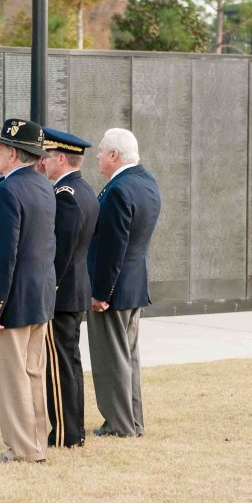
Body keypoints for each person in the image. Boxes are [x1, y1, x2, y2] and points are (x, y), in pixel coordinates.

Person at [0, 118, 57, 463]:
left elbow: (3, 256)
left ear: (12, 153)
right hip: (37, 296)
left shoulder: (8, 192)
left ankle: (24, 450)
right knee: (32, 374)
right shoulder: (42, 186)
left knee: (12, 378)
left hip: (10, 301)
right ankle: (36, 441)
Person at [86, 127, 161, 439]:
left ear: (114, 156)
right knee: (128, 357)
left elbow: (112, 248)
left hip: (114, 290)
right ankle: (133, 421)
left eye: (102, 152)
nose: (99, 158)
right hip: (133, 286)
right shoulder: (146, 181)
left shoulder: (119, 189)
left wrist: (101, 292)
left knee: (111, 359)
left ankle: (119, 425)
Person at [37, 127, 99, 448]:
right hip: (74, 292)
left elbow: (59, 254)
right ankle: (73, 431)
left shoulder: (67, 197)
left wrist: (50, 290)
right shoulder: (83, 190)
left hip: (62, 295)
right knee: (69, 363)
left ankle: (65, 434)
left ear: (61, 158)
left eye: (47, 157)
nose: (42, 163)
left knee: (60, 368)